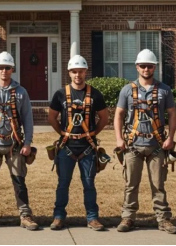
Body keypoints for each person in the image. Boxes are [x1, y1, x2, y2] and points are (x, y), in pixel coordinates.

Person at [113, 49, 176, 234]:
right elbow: (119, 115)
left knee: (158, 184)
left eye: (149, 66)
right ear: (137, 67)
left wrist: (171, 138)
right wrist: (119, 138)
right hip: (133, 145)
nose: (146, 69)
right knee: (131, 184)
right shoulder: (127, 90)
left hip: (157, 145)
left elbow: (172, 114)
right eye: (143, 66)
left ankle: (163, 219)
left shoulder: (164, 90)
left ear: (154, 67)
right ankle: (128, 217)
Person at [0, 52, 38, 231]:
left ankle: (25, 215)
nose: (4, 71)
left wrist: (27, 143)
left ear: (12, 69)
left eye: (7, 68)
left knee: (19, 181)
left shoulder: (21, 92)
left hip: (15, 145)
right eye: (1, 68)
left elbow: (28, 119)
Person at [48, 55, 109, 231]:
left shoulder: (95, 94)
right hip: (66, 147)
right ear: (69, 73)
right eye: (74, 71)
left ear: (85, 72)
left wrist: (92, 134)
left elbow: (104, 118)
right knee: (63, 184)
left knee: (89, 184)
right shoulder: (60, 94)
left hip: (87, 148)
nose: (78, 75)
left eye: (81, 71)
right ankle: (59, 216)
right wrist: (62, 133)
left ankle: (92, 218)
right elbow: (52, 117)